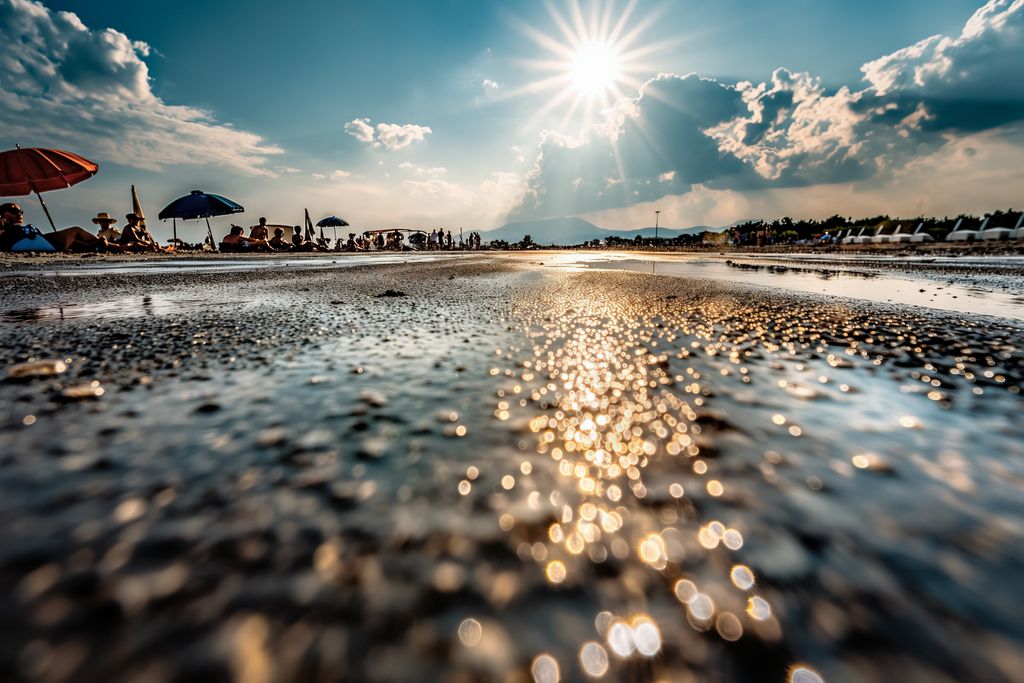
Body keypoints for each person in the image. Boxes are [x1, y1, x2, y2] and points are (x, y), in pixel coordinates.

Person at [1, 202, 122, 252]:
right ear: (4, 214)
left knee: (78, 244)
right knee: (76, 230)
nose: (20, 213)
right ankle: (110, 245)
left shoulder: (11, 230)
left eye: (21, 211)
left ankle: (111, 246)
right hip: (44, 243)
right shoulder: (5, 230)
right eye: (14, 210)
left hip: (41, 242)